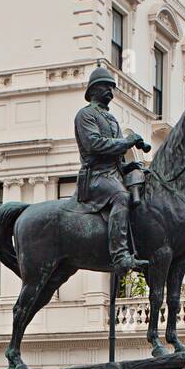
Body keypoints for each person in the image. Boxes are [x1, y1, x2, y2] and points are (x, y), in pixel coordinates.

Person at [74, 65, 151, 279]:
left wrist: (130, 166)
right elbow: (94, 145)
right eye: (106, 86)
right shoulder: (86, 115)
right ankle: (120, 256)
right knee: (122, 197)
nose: (110, 90)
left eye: (112, 87)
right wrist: (126, 142)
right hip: (96, 177)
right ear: (94, 90)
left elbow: (116, 158)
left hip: (113, 174)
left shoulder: (111, 119)